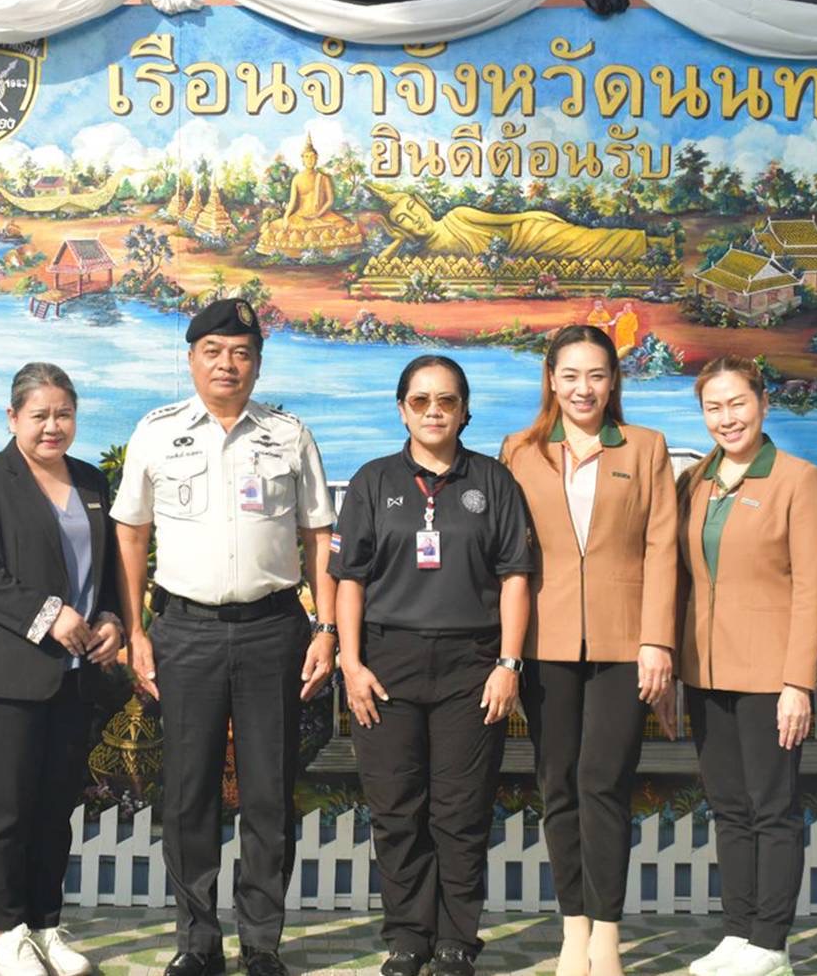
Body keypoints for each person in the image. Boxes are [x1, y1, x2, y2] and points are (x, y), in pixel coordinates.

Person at [113, 298, 338, 976]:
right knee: (189, 793)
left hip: (273, 628)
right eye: (212, 351)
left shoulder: (289, 435)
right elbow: (131, 532)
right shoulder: (156, 432)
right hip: (185, 631)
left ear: (258, 364)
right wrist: (135, 629)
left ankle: (262, 943)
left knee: (269, 791)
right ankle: (198, 940)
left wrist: (325, 628)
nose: (226, 365)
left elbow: (318, 534)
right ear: (191, 359)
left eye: (241, 353)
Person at [331, 356, 534, 976]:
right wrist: (351, 663)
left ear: (465, 410)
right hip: (385, 664)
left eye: (446, 400)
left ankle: (455, 940)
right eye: (420, 401)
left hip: (471, 665)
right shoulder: (373, 481)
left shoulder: (493, 482)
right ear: (402, 410)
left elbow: (516, 577)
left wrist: (509, 663)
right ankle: (407, 937)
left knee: (460, 811)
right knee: (396, 809)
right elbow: (348, 580)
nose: (433, 411)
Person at [500, 324, 678, 976]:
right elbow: (508, 554)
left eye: (597, 375)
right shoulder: (520, 450)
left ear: (614, 381)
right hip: (545, 640)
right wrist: (505, 651)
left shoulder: (645, 446)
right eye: (571, 375)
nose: (584, 388)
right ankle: (572, 926)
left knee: (603, 781)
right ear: (551, 379)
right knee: (557, 782)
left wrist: (657, 639)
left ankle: (607, 933)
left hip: (625, 641)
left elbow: (662, 546)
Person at [0, 363, 125, 976]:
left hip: (77, 673)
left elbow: (107, 568)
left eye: (63, 414)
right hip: (9, 673)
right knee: (8, 808)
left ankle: (46, 926)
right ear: (13, 417)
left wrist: (111, 618)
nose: (53, 426)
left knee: (55, 807)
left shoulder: (91, 480)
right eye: (39, 415)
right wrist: (48, 615)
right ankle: (6, 934)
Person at [674, 356, 817, 976]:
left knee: (772, 808)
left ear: (763, 403)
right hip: (706, 672)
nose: (727, 418)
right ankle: (737, 934)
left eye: (737, 403)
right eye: (713, 407)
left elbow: (809, 587)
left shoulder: (796, 478)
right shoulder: (695, 481)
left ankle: (771, 942)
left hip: (770, 675)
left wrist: (798, 682)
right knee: (729, 807)